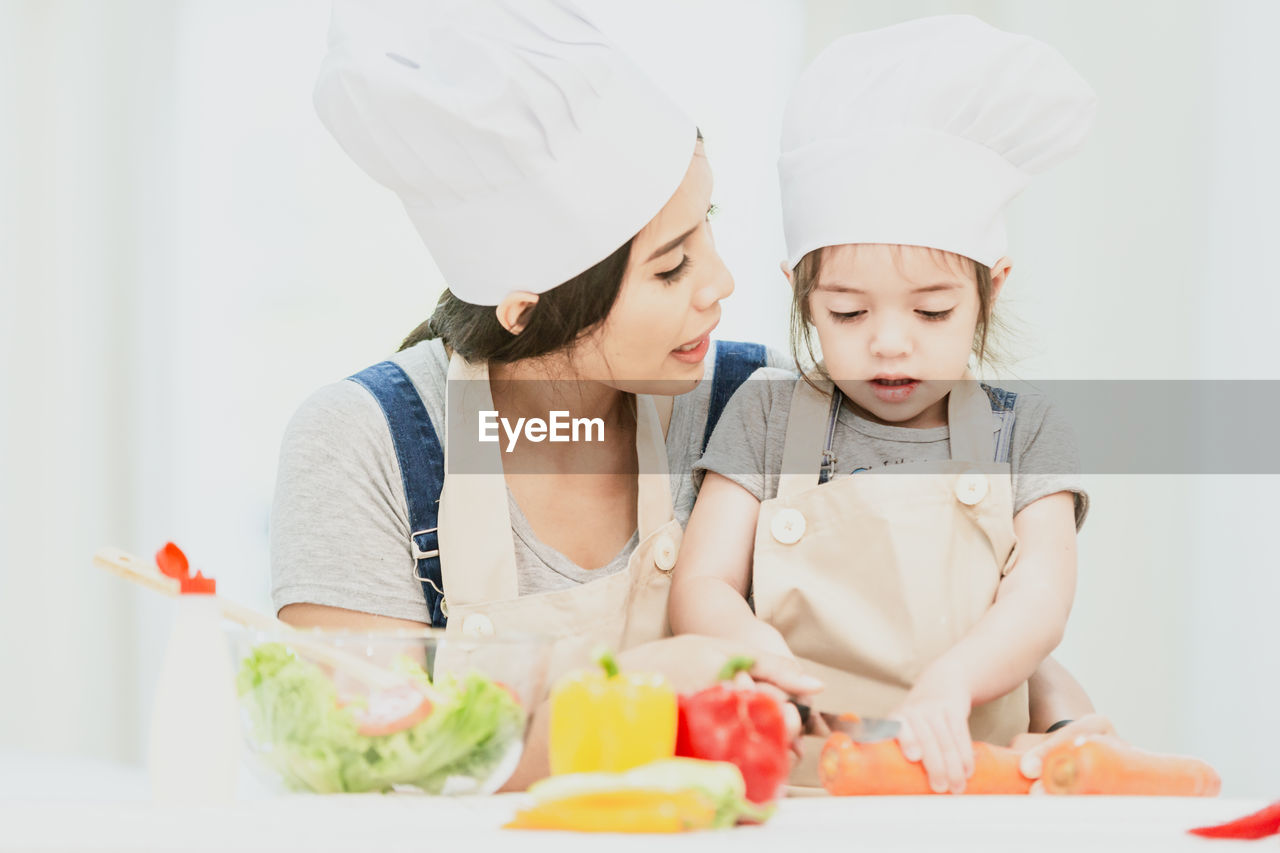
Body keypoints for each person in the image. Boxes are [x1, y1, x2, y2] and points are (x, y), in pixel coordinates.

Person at [274, 1, 1111, 790]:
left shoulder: (754, 400)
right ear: (530, 307)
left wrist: (1058, 710)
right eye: (671, 266)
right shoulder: (366, 444)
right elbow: (365, 763)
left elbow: (940, 586)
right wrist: (645, 685)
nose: (721, 282)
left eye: (708, 225)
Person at [670, 15, 1097, 793]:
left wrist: (956, 680)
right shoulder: (766, 420)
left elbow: (1040, 598)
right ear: (802, 299)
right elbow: (701, 584)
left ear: (989, 291)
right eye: (849, 313)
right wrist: (758, 653)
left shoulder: (1025, 431)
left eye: (931, 312)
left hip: (969, 785)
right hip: (795, 787)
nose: (889, 344)